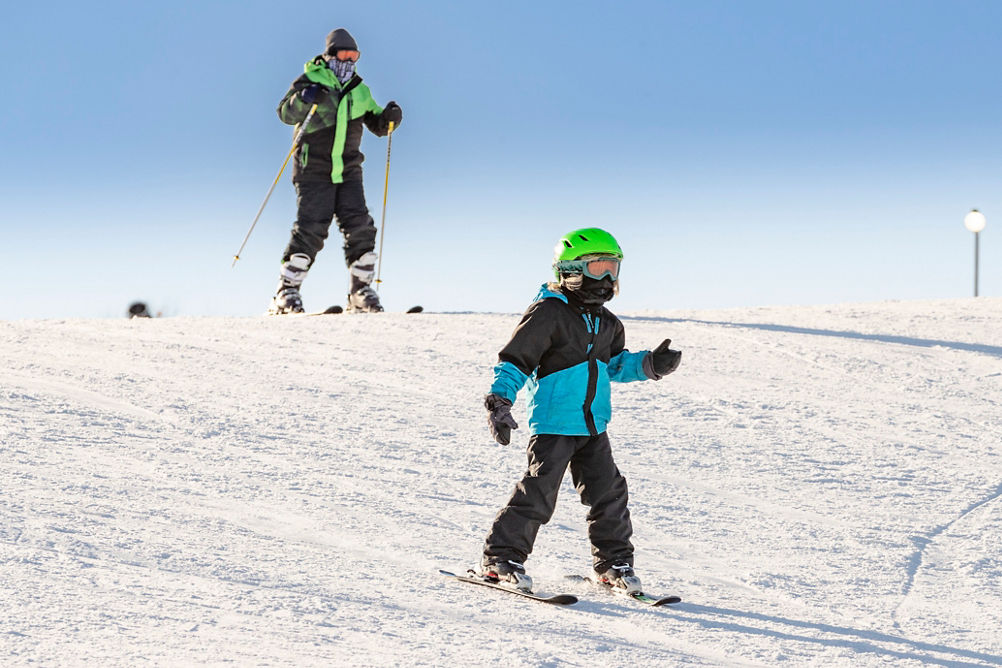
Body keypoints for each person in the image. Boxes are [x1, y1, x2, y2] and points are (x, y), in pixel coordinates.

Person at [478, 227, 682, 594]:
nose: (606, 278)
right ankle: (500, 559)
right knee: (539, 492)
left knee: (609, 494)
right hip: (554, 424)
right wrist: (499, 400)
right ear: (571, 269)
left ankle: (613, 565)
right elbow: (516, 361)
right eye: (598, 267)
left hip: (592, 427)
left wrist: (651, 364)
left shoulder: (607, 322)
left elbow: (614, 364)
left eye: (613, 268)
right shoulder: (547, 314)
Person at [269, 28, 403, 314]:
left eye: (355, 56)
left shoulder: (359, 90)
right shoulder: (311, 80)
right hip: (313, 169)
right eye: (345, 54)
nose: (350, 61)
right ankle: (286, 292)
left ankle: (360, 291)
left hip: (349, 170)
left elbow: (378, 125)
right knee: (312, 227)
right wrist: (306, 97)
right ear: (330, 55)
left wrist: (389, 119)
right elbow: (284, 113)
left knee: (360, 225)